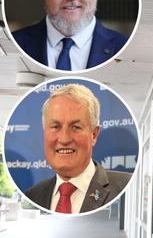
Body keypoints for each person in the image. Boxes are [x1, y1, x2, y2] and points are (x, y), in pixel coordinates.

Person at [25, 84, 130, 214]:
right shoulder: (32, 195)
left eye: (76, 127)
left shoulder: (128, 187)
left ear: (94, 134)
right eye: (55, 126)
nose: (64, 139)